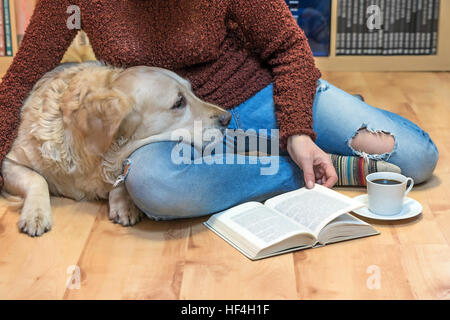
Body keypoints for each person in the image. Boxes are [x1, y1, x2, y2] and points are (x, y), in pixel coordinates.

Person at [0, 0, 438, 221]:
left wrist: (298, 129)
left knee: (415, 159)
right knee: (153, 185)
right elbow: (20, 79)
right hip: (175, 131)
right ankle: (315, 169)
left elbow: (289, 49)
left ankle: (301, 143)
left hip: (266, 98)